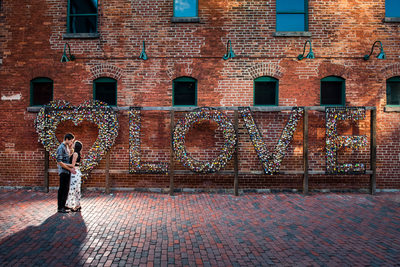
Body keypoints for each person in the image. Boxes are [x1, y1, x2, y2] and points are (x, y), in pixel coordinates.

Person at [56, 133, 76, 213]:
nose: (71, 142)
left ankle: (63, 205)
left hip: (66, 171)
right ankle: (60, 207)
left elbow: (65, 160)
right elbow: (59, 162)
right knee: (62, 189)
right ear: (67, 139)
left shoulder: (66, 147)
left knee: (66, 189)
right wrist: (70, 169)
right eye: (71, 140)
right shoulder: (61, 148)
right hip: (63, 171)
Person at [65, 141, 83, 212]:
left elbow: (72, 165)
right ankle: (77, 205)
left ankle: (72, 205)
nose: (72, 144)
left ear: (76, 146)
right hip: (77, 172)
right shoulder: (76, 153)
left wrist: (63, 164)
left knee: (73, 189)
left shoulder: (75, 154)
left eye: (74, 144)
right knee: (76, 189)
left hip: (74, 173)